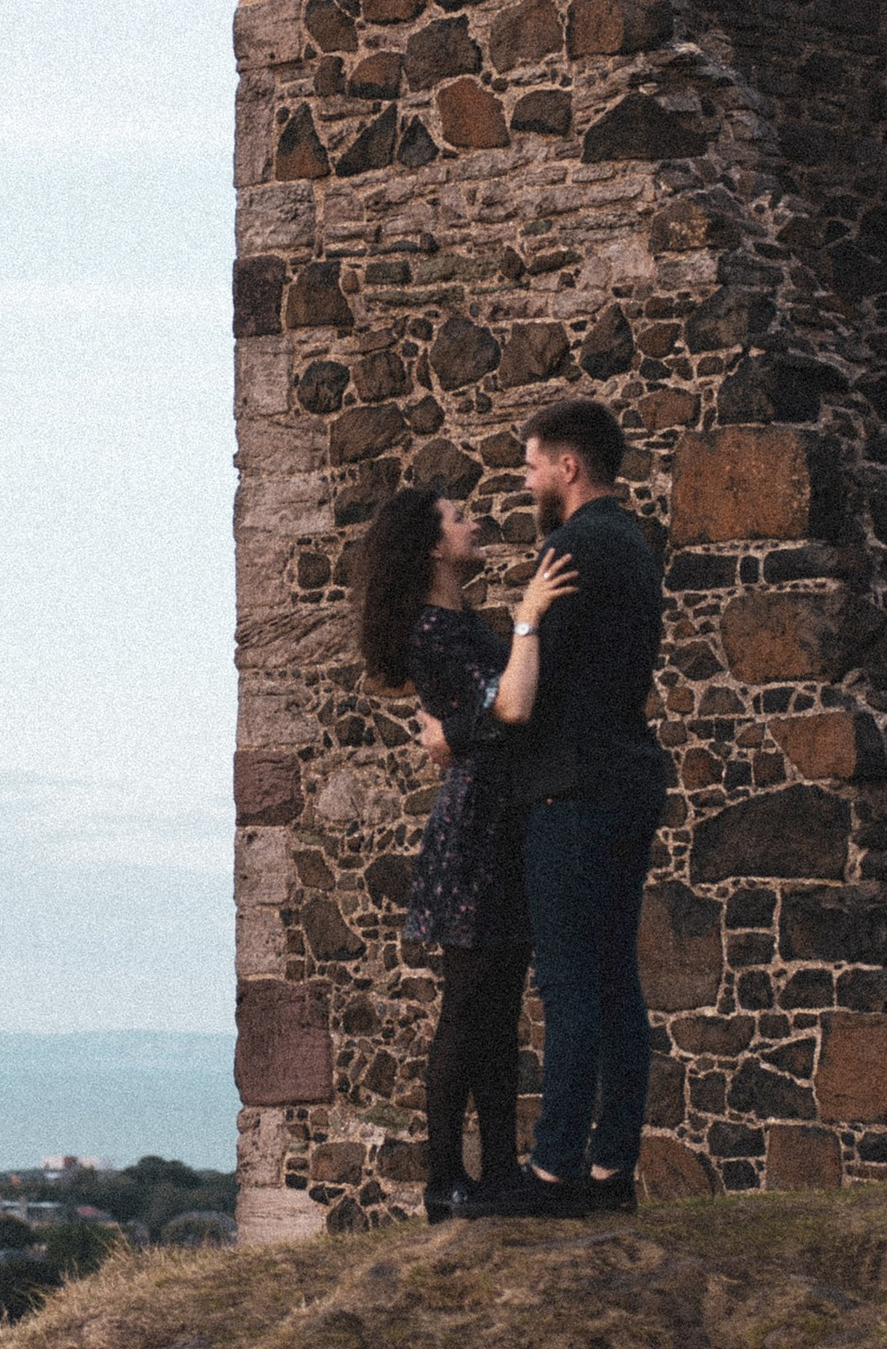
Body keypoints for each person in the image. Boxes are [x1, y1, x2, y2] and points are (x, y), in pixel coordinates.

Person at [459, 395, 669, 1220]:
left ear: (568, 466)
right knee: (616, 980)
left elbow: (534, 695)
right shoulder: (632, 544)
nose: (525, 479)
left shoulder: (573, 549)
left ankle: (553, 1174)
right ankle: (612, 1168)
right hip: (622, 778)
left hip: (574, 789)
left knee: (573, 982)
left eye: (531, 462)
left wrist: (520, 625)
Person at [356, 482, 577, 1221]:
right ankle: (447, 1179)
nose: (473, 522)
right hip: (477, 830)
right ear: (430, 546)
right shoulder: (431, 630)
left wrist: (455, 732)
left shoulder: (457, 623)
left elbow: (491, 714)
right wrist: (528, 622)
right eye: (458, 518)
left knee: (495, 1011)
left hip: (498, 821)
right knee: (466, 1009)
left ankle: (496, 1173)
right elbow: (500, 710)